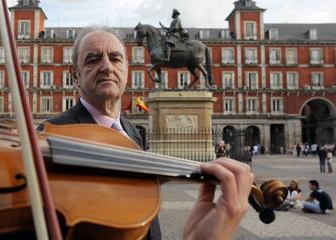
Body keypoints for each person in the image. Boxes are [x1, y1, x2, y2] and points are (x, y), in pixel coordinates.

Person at [38, 25, 254, 240]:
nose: (106, 67)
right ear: (74, 76)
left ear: (126, 70)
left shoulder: (132, 132)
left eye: (115, 58)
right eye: (93, 59)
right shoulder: (54, 136)